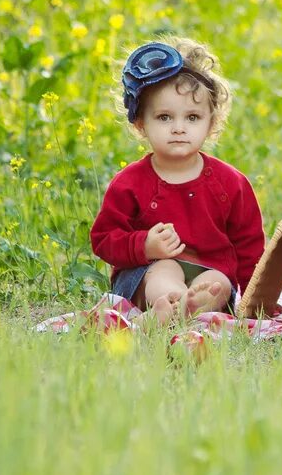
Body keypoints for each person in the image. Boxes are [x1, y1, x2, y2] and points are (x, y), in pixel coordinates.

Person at [91, 37, 264, 322]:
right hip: (147, 272)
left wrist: (256, 301)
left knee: (218, 283)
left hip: (209, 271)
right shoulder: (130, 182)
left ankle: (185, 307)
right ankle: (171, 301)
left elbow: (249, 248)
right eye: (164, 117)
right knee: (165, 269)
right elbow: (104, 239)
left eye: (193, 117)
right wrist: (144, 245)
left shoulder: (231, 183)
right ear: (141, 123)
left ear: (211, 123)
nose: (179, 128)